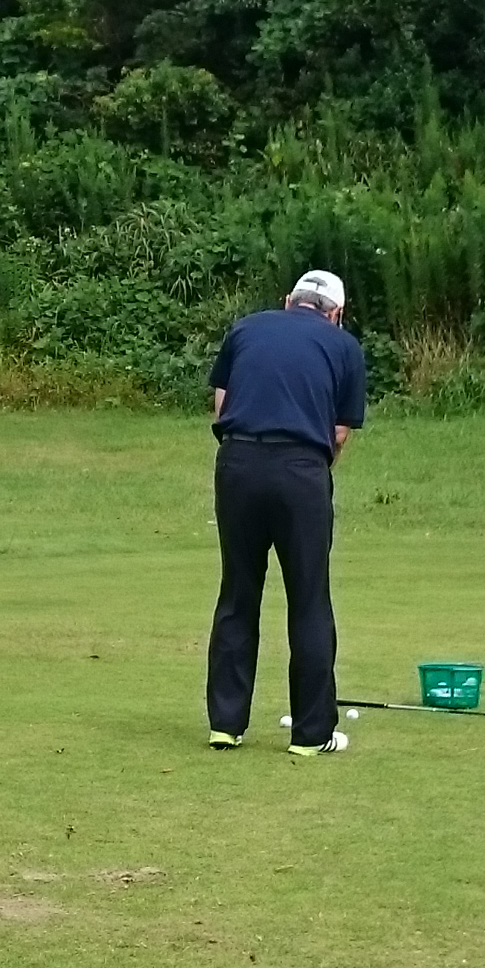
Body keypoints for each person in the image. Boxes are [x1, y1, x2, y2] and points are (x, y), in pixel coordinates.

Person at [204, 268, 367, 756]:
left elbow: (221, 405)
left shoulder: (245, 328)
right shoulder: (344, 347)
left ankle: (225, 724)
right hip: (301, 469)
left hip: (237, 463)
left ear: (288, 300)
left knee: (238, 593)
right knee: (309, 598)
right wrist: (307, 466)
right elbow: (339, 433)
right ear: (336, 313)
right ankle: (311, 734)